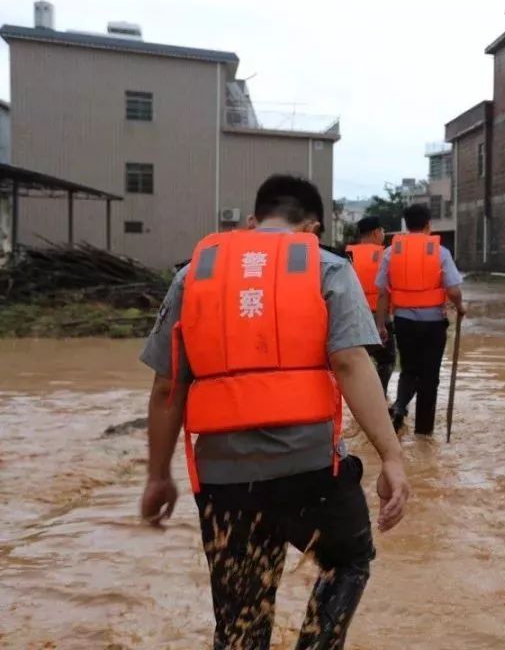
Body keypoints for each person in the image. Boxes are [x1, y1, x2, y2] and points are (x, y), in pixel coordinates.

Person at [138, 174, 410, 650]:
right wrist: (392, 457)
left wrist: (157, 475)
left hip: (225, 481)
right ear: (312, 227)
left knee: (241, 623)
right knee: (347, 560)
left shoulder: (193, 277)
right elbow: (350, 363)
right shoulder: (326, 267)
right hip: (310, 470)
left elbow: (167, 387)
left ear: (251, 222)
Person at [375, 203, 466, 435]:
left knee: (408, 369)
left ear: (406, 224)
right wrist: (460, 307)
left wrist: (380, 325)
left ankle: (399, 407)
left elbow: (383, 291)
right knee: (429, 375)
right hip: (433, 324)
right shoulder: (440, 252)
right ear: (428, 226)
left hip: (404, 322)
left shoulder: (391, 251)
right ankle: (424, 433)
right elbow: (454, 290)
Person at [347, 216, 396, 396]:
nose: (383, 235)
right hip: (379, 316)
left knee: (357, 361)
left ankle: (359, 397)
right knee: (387, 361)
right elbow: (387, 289)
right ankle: (379, 395)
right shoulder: (386, 255)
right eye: (382, 231)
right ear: (376, 232)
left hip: (352, 317)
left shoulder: (345, 254)